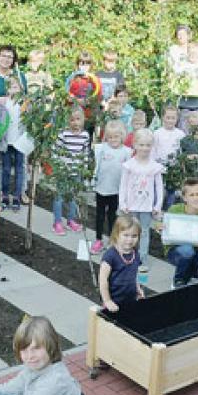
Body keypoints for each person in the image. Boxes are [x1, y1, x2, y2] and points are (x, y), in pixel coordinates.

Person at [119, 128, 165, 275]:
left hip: (146, 207)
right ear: (134, 145)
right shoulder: (129, 165)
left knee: (144, 232)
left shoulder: (154, 167)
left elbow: (159, 187)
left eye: (148, 145)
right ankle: (128, 255)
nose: (145, 148)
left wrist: (157, 205)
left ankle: (142, 258)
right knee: (129, 231)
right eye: (141, 145)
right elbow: (123, 185)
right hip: (131, 205)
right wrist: (123, 203)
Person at [91, 120, 132, 254]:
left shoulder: (126, 152)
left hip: (116, 190)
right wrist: (92, 181)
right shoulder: (102, 148)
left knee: (113, 216)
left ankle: (112, 239)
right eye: (110, 137)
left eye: (116, 137)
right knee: (100, 215)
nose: (113, 140)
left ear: (122, 136)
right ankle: (98, 239)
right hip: (101, 188)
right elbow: (95, 166)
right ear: (106, 137)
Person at [52, 106, 91, 235]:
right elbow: (55, 151)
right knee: (59, 197)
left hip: (76, 172)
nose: (75, 122)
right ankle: (57, 222)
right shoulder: (63, 134)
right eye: (72, 120)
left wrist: (84, 169)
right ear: (68, 121)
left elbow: (85, 153)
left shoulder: (85, 136)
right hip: (63, 172)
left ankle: (71, 220)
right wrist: (59, 166)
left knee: (73, 197)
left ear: (83, 120)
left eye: (78, 119)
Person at [98, 215, 144, 312]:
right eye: (126, 235)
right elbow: (103, 280)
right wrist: (107, 301)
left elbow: (135, 274)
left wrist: (138, 288)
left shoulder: (136, 253)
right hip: (113, 301)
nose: (130, 240)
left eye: (134, 236)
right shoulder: (110, 255)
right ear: (117, 234)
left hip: (130, 299)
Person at [0, 76, 26, 210]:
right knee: (6, 169)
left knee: (20, 169)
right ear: (7, 89)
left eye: (16, 85)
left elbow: (29, 120)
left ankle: (16, 196)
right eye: (11, 85)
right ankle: (4, 195)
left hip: (20, 142)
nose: (13, 87)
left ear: (21, 88)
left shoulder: (24, 103)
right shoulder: (3, 103)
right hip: (6, 141)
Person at [152, 105, 185, 210]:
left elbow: (182, 152)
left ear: (177, 119)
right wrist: (154, 165)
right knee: (158, 190)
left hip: (173, 168)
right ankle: (156, 211)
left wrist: (181, 167)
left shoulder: (180, 134)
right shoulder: (157, 133)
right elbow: (153, 150)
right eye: (168, 117)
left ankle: (169, 211)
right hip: (159, 167)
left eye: (173, 118)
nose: (170, 120)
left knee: (171, 191)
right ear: (163, 117)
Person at [64, 51, 102, 135]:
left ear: (91, 65)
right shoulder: (72, 79)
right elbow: (67, 96)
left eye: (87, 64)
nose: (84, 67)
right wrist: (75, 100)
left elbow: (98, 97)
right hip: (74, 117)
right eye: (82, 64)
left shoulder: (95, 80)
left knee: (87, 138)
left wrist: (88, 101)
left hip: (88, 117)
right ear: (77, 65)